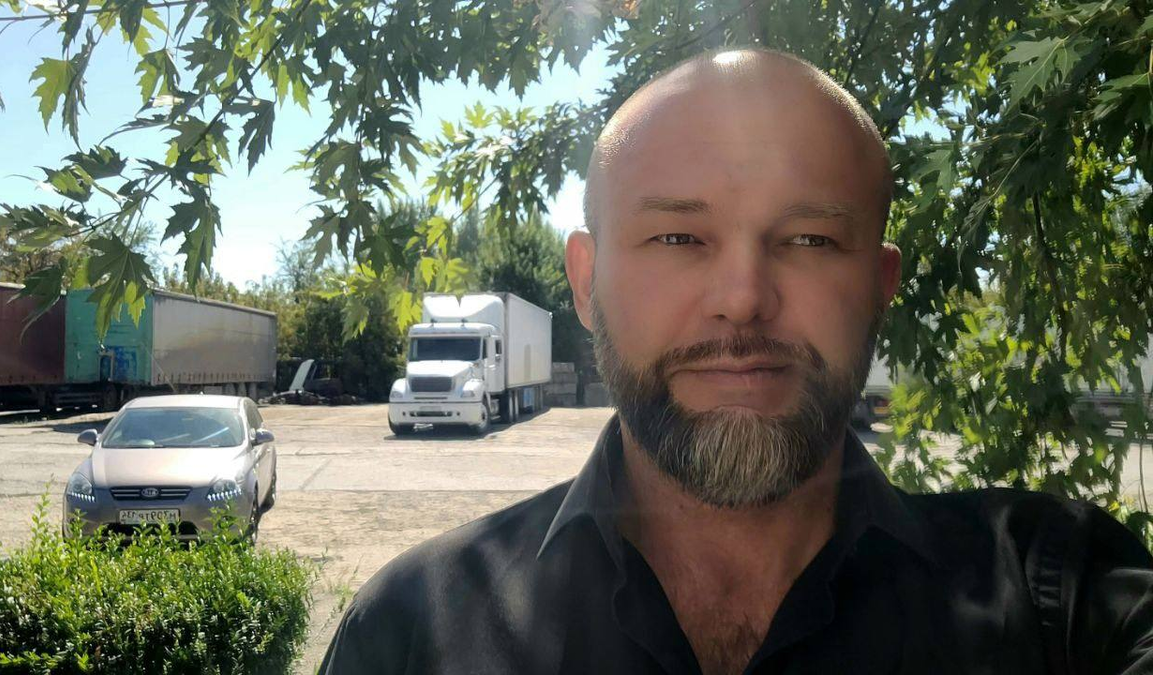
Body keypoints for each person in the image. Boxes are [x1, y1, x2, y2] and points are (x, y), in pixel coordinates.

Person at [320, 48, 1153, 674]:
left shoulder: (1060, 599)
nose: (744, 297)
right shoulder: (412, 631)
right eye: (678, 236)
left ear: (878, 285)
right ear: (585, 281)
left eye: (810, 239)